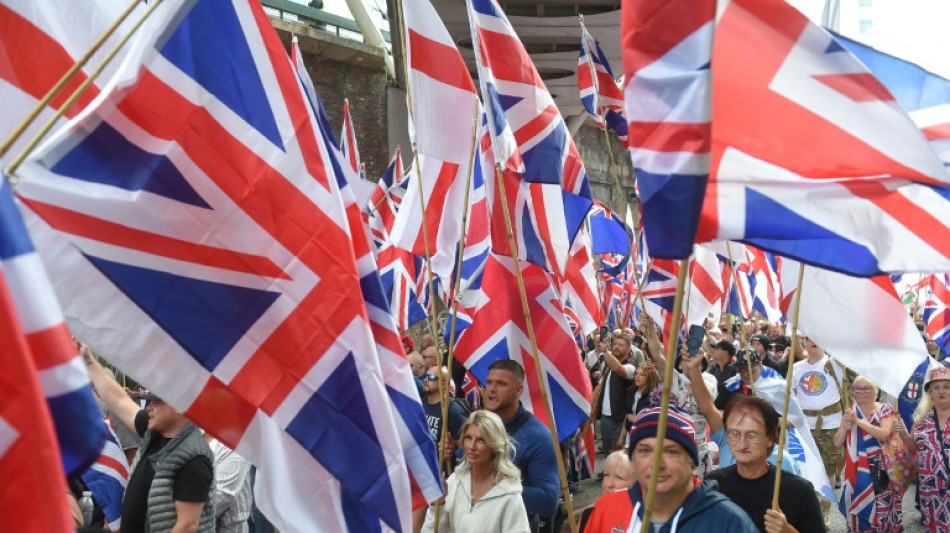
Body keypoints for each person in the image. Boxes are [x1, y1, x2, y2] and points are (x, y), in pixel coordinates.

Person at [82, 345, 215, 532]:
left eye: (157, 401)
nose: (148, 407)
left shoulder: (195, 458)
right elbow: (119, 401)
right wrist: (89, 361)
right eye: (149, 400)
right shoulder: (154, 429)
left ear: (180, 406)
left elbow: (187, 525)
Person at [584, 406, 758, 533]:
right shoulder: (606, 509)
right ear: (633, 462)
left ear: (692, 465)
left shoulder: (729, 523)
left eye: (670, 451)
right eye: (645, 451)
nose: (657, 464)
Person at [706, 396, 826, 533]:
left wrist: (788, 531)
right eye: (734, 434)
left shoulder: (799, 491)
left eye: (752, 435)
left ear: (770, 438)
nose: (742, 444)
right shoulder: (714, 484)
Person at [422, 410, 530, 533]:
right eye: (468, 438)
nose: (472, 446)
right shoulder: (455, 481)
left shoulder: (509, 496)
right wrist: (438, 505)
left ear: (494, 446)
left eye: (481, 440)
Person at [485, 359, 559, 530]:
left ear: (518, 390)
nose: (491, 389)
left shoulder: (538, 436)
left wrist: (500, 486)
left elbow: (548, 501)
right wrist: (454, 453)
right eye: (489, 382)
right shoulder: (480, 424)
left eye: (501, 384)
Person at [833, 376, 902, 532]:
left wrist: (858, 421)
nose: (862, 392)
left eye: (867, 388)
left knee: (880, 512)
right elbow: (837, 442)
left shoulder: (885, 409)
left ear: (876, 391)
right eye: (858, 388)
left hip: (880, 471)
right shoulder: (851, 411)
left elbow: (884, 435)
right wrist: (845, 426)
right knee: (857, 509)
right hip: (856, 469)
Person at [793, 337, 849, 525]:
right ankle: (806, 509)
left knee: (828, 471)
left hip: (830, 424)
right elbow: (791, 396)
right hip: (804, 426)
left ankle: (824, 509)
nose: (813, 341)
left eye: (817, 337)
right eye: (809, 338)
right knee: (803, 469)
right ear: (804, 342)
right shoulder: (797, 368)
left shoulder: (834, 364)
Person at [897, 364, 950, 533]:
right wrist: (903, 432)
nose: (941, 391)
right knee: (933, 526)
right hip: (929, 487)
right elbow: (913, 447)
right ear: (930, 393)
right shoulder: (923, 418)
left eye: (946, 387)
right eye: (936, 388)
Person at [596, 335, 641, 456]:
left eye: (621, 345)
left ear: (628, 350)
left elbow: (618, 368)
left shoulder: (630, 367)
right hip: (605, 418)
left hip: (620, 420)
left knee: (618, 455)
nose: (616, 347)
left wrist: (605, 351)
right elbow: (599, 389)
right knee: (607, 454)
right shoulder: (607, 368)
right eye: (615, 344)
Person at [579, 451, 634, 532]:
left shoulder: (640, 519)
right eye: (606, 475)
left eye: (619, 478)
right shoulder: (589, 515)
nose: (609, 484)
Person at [206, 435, 252, 533]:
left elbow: (224, 495)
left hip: (226, 524)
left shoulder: (236, 441)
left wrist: (185, 513)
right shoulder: (191, 433)